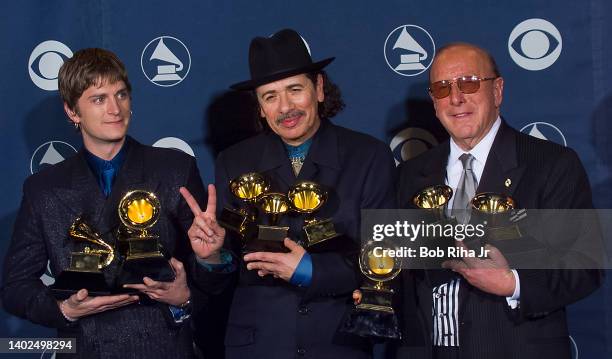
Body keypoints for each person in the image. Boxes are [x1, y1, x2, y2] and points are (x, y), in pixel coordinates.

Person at [180, 28, 396, 358]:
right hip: (257, 345)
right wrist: (211, 258)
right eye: (270, 96)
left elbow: (386, 259)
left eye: (295, 90)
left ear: (319, 88)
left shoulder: (369, 156)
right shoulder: (233, 162)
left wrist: (310, 270)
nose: (285, 107)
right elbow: (227, 275)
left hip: (337, 343)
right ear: (260, 107)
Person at [1, 48, 217, 358]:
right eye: (99, 99)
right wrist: (65, 310)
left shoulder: (175, 169)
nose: (115, 109)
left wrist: (198, 277)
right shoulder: (43, 189)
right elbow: (15, 288)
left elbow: (213, 279)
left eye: (121, 95)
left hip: (163, 348)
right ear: (72, 112)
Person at [393, 42, 603, 359]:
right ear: (434, 102)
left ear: (498, 91)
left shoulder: (550, 164)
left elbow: (585, 266)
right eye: (442, 88)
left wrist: (512, 283)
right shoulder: (411, 175)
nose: (456, 97)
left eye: (469, 82)